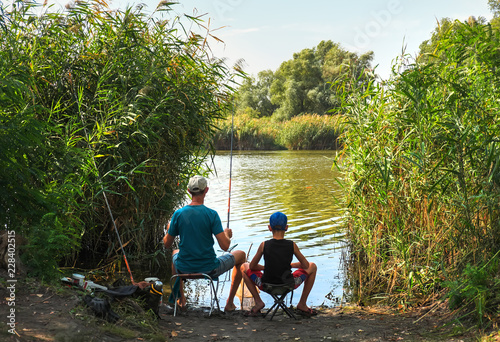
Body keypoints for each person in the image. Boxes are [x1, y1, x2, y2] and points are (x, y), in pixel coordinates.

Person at [163, 175, 246, 313]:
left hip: (184, 268)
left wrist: (169, 229)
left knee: (174, 253)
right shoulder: (211, 214)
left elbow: (167, 244)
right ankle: (229, 303)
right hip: (210, 269)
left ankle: (181, 300)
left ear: (188, 191)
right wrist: (227, 234)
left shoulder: (178, 214)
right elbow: (225, 246)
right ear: (206, 190)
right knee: (241, 255)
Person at [240, 211, 318, 317]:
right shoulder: (292, 245)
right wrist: (290, 265)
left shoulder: (264, 245)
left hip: (266, 285)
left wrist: (266, 268)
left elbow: (252, 266)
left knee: (244, 267)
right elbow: (306, 266)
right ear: (286, 227)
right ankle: (302, 303)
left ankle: (258, 302)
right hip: (289, 285)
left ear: (269, 228)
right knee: (313, 266)